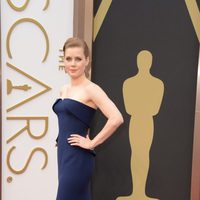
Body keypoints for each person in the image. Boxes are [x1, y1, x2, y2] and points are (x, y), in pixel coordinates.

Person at [52, 37, 124, 200]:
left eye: (78, 59)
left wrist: (91, 143)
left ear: (87, 60)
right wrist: (60, 138)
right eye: (68, 59)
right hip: (64, 153)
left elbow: (116, 118)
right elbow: (72, 118)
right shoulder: (64, 89)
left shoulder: (91, 89)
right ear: (63, 60)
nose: (73, 63)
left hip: (78, 157)